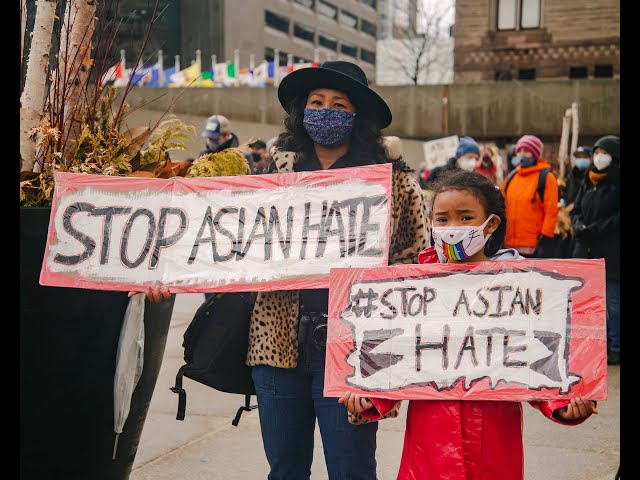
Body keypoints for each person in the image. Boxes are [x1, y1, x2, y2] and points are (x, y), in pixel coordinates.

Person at [339, 169, 599, 480]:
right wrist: (369, 396)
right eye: (442, 219)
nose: (452, 229)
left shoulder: (519, 288)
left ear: (491, 224)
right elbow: (398, 355)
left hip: (494, 442)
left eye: (465, 218)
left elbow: (535, 357)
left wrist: (562, 402)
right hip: (429, 445)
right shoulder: (412, 290)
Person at [243, 60, 430, 480]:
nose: (326, 110)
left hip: (353, 350)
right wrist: (170, 277)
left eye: (339, 104)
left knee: (352, 470)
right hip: (278, 343)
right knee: (285, 470)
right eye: (317, 102)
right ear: (301, 111)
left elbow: (416, 262)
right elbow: (231, 244)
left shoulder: (393, 181)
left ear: (357, 115)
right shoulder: (275, 173)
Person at [570, 135, 620, 365]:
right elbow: (576, 209)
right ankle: (591, 344)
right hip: (585, 249)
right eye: (596, 152)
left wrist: (597, 228)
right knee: (585, 301)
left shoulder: (616, 183)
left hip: (610, 250)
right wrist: (578, 225)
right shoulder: (588, 182)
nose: (599, 157)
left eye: (604, 152)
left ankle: (615, 347)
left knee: (612, 303)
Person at [502, 134, 559, 258]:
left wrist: (545, 240)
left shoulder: (546, 178)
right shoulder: (511, 177)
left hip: (533, 247)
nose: (522, 154)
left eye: (526, 151)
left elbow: (551, 211)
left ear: (535, 154)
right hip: (509, 247)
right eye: (519, 151)